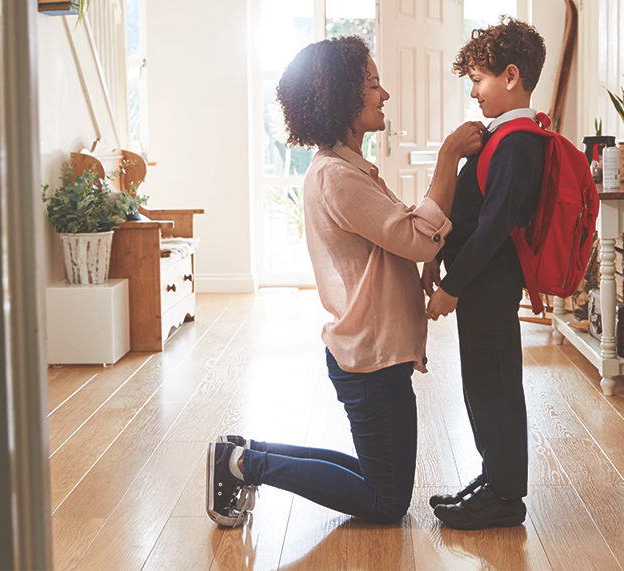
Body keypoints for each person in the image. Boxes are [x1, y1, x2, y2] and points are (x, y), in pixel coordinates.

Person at [206, 35, 484, 527]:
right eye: (373, 84)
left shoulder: (347, 169)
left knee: (378, 476)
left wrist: (422, 255)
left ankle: (244, 452)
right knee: (387, 500)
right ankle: (245, 465)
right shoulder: (338, 176)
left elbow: (399, 239)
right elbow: (418, 237)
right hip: (371, 359)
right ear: (341, 99)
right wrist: (448, 158)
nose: (385, 95)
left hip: (372, 353)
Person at [421, 16, 548, 530]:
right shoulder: (502, 136)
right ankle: (494, 478)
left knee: (495, 385)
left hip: (489, 284)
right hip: (481, 283)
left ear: (511, 76)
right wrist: (437, 254)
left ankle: (505, 496)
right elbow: (472, 212)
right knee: (481, 383)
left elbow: (495, 226)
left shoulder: (518, 141)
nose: (473, 91)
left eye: (478, 79)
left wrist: (452, 286)